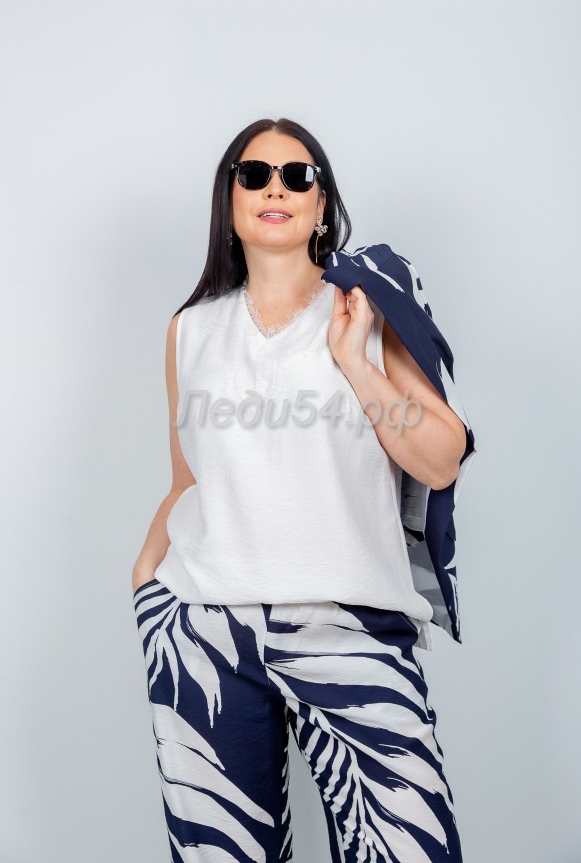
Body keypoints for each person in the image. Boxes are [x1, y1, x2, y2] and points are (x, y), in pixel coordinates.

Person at [131, 117, 470, 862]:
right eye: (254, 175)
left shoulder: (368, 308)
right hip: (207, 628)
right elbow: (187, 479)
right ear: (229, 202)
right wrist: (147, 586)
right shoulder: (189, 330)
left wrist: (355, 361)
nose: (275, 189)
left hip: (350, 620)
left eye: (297, 175)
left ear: (322, 204)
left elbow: (442, 460)